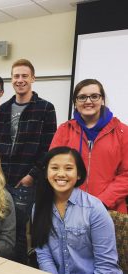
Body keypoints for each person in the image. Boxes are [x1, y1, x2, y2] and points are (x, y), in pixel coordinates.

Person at [31, 146, 128, 274]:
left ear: (79, 174)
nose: (61, 174)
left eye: (68, 168)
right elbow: (43, 254)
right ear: (45, 173)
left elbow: (106, 266)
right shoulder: (39, 207)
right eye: (54, 168)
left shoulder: (94, 209)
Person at [0, 58, 57, 264]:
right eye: (16, 76)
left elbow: (49, 147)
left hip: (27, 180)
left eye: (24, 76)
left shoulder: (45, 108)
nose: (20, 80)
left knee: (21, 230)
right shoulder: (3, 109)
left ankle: (18, 269)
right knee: (3, 227)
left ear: (33, 78)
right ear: (11, 79)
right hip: (4, 179)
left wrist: (33, 175)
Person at [50, 79, 128, 213]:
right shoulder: (64, 130)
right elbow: (54, 170)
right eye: (82, 97)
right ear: (75, 102)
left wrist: (101, 202)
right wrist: (72, 198)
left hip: (109, 209)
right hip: (70, 207)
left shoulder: (123, 132)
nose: (88, 101)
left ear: (102, 99)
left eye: (94, 96)